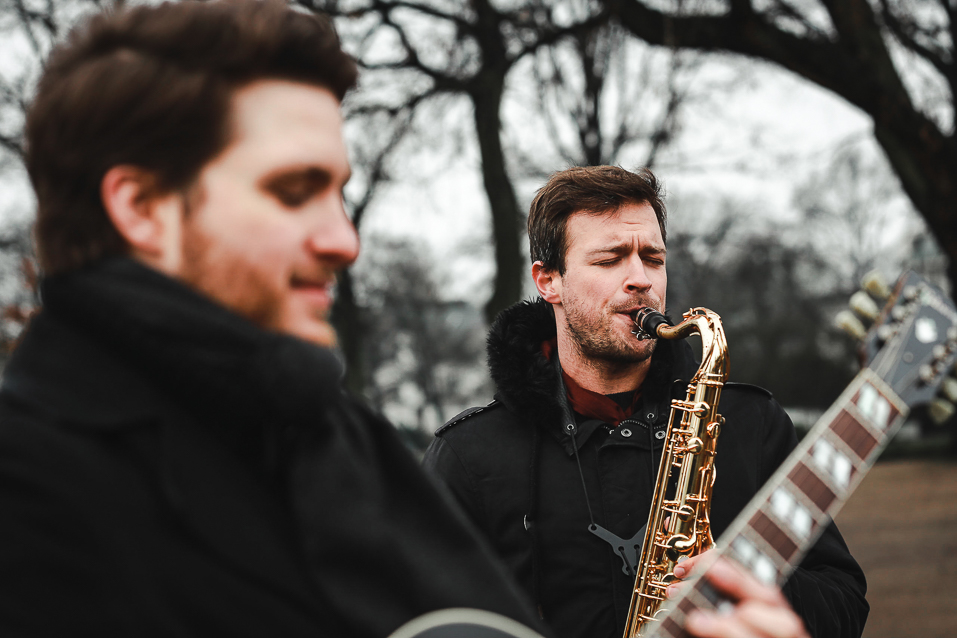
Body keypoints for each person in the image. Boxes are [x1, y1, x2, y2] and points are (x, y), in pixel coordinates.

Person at [0, 1, 548, 636]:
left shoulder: (341, 434)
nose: (345, 241)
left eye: (339, 193)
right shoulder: (28, 490)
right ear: (142, 206)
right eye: (293, 191)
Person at [423, 166, 869, 638]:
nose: (640, 279)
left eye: (652, 258)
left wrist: (747, 585)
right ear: (548, 280)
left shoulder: (751, 424)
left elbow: (843, 602)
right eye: (610, 259)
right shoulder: (469, 458)